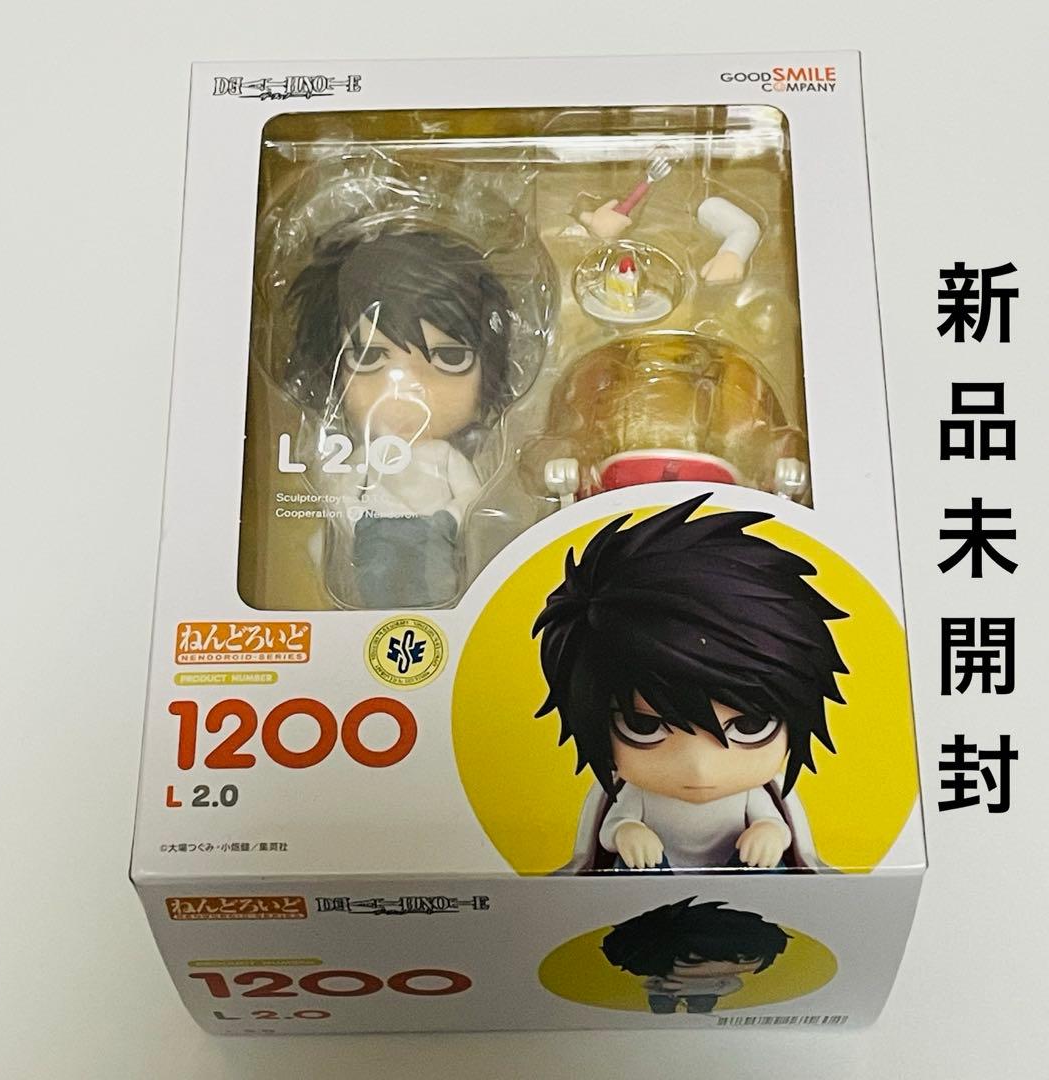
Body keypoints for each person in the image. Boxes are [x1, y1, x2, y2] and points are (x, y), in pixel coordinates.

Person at [533, 494, 847, 870]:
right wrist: (627, 832)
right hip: (651, 884)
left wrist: (767, 833)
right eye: (643, 725)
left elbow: (778, 828)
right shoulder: (638, 795)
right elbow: (610, 829)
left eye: (750, 725)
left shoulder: (752, 795)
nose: (700, 768)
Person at [285, 225, 514, 608]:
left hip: (435, 538)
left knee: (437, 578)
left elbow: (472, 498)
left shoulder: (444, 457)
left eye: (450, 357)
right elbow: (341, 494)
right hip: (374, 537)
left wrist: (450, 520)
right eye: (371, 357)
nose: (411, 386)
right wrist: (352, 523)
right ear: (330, 371)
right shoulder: (363, 457)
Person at [601, 896, 791, 1014]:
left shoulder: (721, 980)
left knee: (702, 1005)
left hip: (705, 999)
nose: (729, 969)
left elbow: (733, 984)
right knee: (661, 1005)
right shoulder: (662, 962)